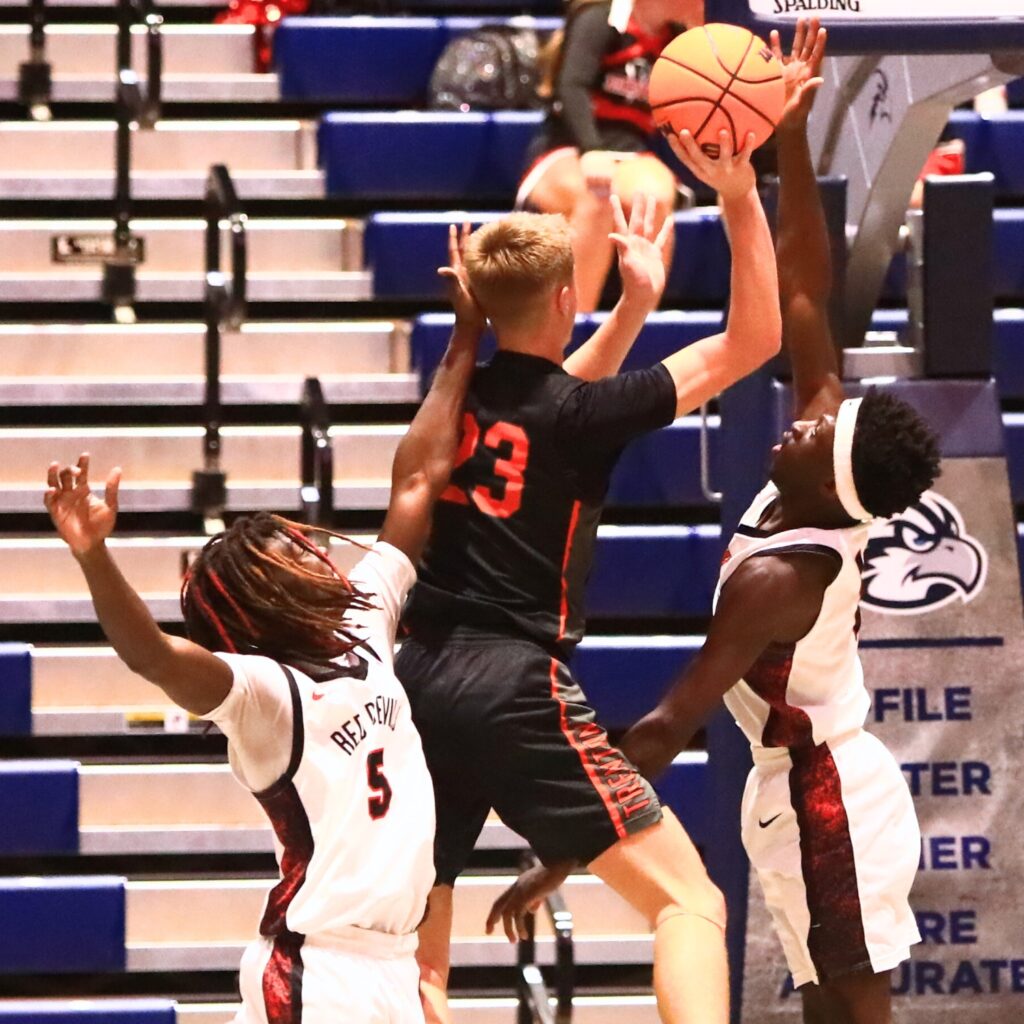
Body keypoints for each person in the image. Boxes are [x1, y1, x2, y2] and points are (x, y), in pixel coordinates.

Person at [43, 233, 484, 1024]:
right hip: (320, 969)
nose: (315, 548)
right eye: (293, 550)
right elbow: (151, 656)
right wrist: (93, 556)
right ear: (265, 595)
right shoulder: (262, 693)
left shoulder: (363, 622)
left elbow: (418, 479)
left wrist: (464, 336)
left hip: (391, 961)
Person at [395, 125, 782, 1024]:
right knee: (690, 903)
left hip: (417, 676)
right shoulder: (581, 412)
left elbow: (552, 392)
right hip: (514, 681)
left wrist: (632, 313)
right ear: (569, 293)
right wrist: (734, 192)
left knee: (420, 960)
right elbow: (753, 336)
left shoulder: (458, 397)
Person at [609, 21, 939, 1024]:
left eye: (808, 435)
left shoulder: (782, 576)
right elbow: (803, 282)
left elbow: (672, 717)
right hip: (798, 787)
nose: (792, 428)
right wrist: (785, 135)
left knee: (850, 1002)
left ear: (824, 479)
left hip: (825, 792)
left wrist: (567, 840)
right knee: (817, 1001)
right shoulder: (817, 484)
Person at [518, 0, 705, 312]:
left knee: (653, 200)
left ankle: (637, 329)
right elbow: (572, 86)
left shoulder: (681, 42)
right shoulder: (602, 17)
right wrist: (591, 150)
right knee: (600, 196)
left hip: (632, 152)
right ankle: (573, 328)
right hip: (570, 147)